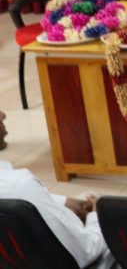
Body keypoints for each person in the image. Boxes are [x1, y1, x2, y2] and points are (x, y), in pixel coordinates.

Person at [0, 114, 113, 268]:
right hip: (75, 261)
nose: (3, 115)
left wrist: (63, 202)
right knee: (115, 218)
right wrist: (96, 217)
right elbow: (84, 253)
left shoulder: (16, 186)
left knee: (84, 197)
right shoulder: (21, 185)